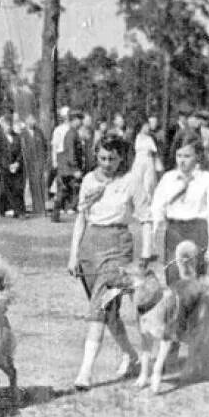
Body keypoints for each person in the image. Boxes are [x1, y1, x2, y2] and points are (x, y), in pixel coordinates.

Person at [68, 135, 151, 390]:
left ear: (122, 158)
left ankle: (85, 372)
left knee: (98, 307)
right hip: (90, 247)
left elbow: (146, 217)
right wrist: (73, 254)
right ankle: (130, 354)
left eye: (112, 159)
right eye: (102, 158)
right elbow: (81, 218)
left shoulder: (131, 181)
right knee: (108, 310)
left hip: (118, 246)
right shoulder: (88, 180)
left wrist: (146, 251)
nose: (106, 163)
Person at [151, 135, 209, 285]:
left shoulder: (207, 179)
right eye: (179, 155)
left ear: (198, 156)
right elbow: (157, 207)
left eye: (187, 156)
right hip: (174, 231)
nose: (182, 160)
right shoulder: (168, 178)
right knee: (174, 278)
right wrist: (155, 235)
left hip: (198, 231)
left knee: (195, 282)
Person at [50, 110, 85, 222]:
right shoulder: (71, 134)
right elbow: (71, 153)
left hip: (66, 168)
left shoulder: (73, 133)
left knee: (64, 191)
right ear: (74, 120)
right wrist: (75, 169)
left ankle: (55, 214)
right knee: (76, 189)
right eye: (79, 120)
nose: (81, 122)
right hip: (69, 169)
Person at [21, 114, 48, 216]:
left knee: (40, 184)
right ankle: (36, 208)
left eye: (33, 119)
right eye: (30, 119)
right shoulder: (23, 133)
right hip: (29, 163)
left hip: (39, 162)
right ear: (26, 121)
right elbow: (23, 149)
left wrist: (45, 159)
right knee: (33, 185)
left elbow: (45, 146)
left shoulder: (39, 132)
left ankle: (42, 209)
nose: (33, 121)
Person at [0, 115, 25, 217]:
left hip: (17, 167)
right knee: (8, 190)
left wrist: (17, 163)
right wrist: (8, 166)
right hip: (5, 168)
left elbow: (21, 152)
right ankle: (11, 210)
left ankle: (20, 211)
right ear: (2, 126)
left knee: (18, 189)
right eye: (6, 125)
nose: (8, 127)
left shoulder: (17, 137)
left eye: (10, 125)